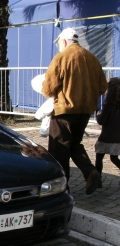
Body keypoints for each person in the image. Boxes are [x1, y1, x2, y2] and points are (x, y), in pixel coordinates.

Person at [41, 27, 107, 195]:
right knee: (74, 144)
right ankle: (91, 172)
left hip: (64, 110)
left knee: (59, 149)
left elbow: (48, 88)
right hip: (85, 111)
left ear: (63, 41)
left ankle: (63, 188)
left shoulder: (62, 57)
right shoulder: (92, 58)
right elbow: (102, 87)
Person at [95, 77, 120, 183]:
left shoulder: (108, 106)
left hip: (106, 137)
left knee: (99, 158)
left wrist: (98, 114)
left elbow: (101, 121)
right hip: (117, 137)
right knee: (114, 158)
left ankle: (98, 180)